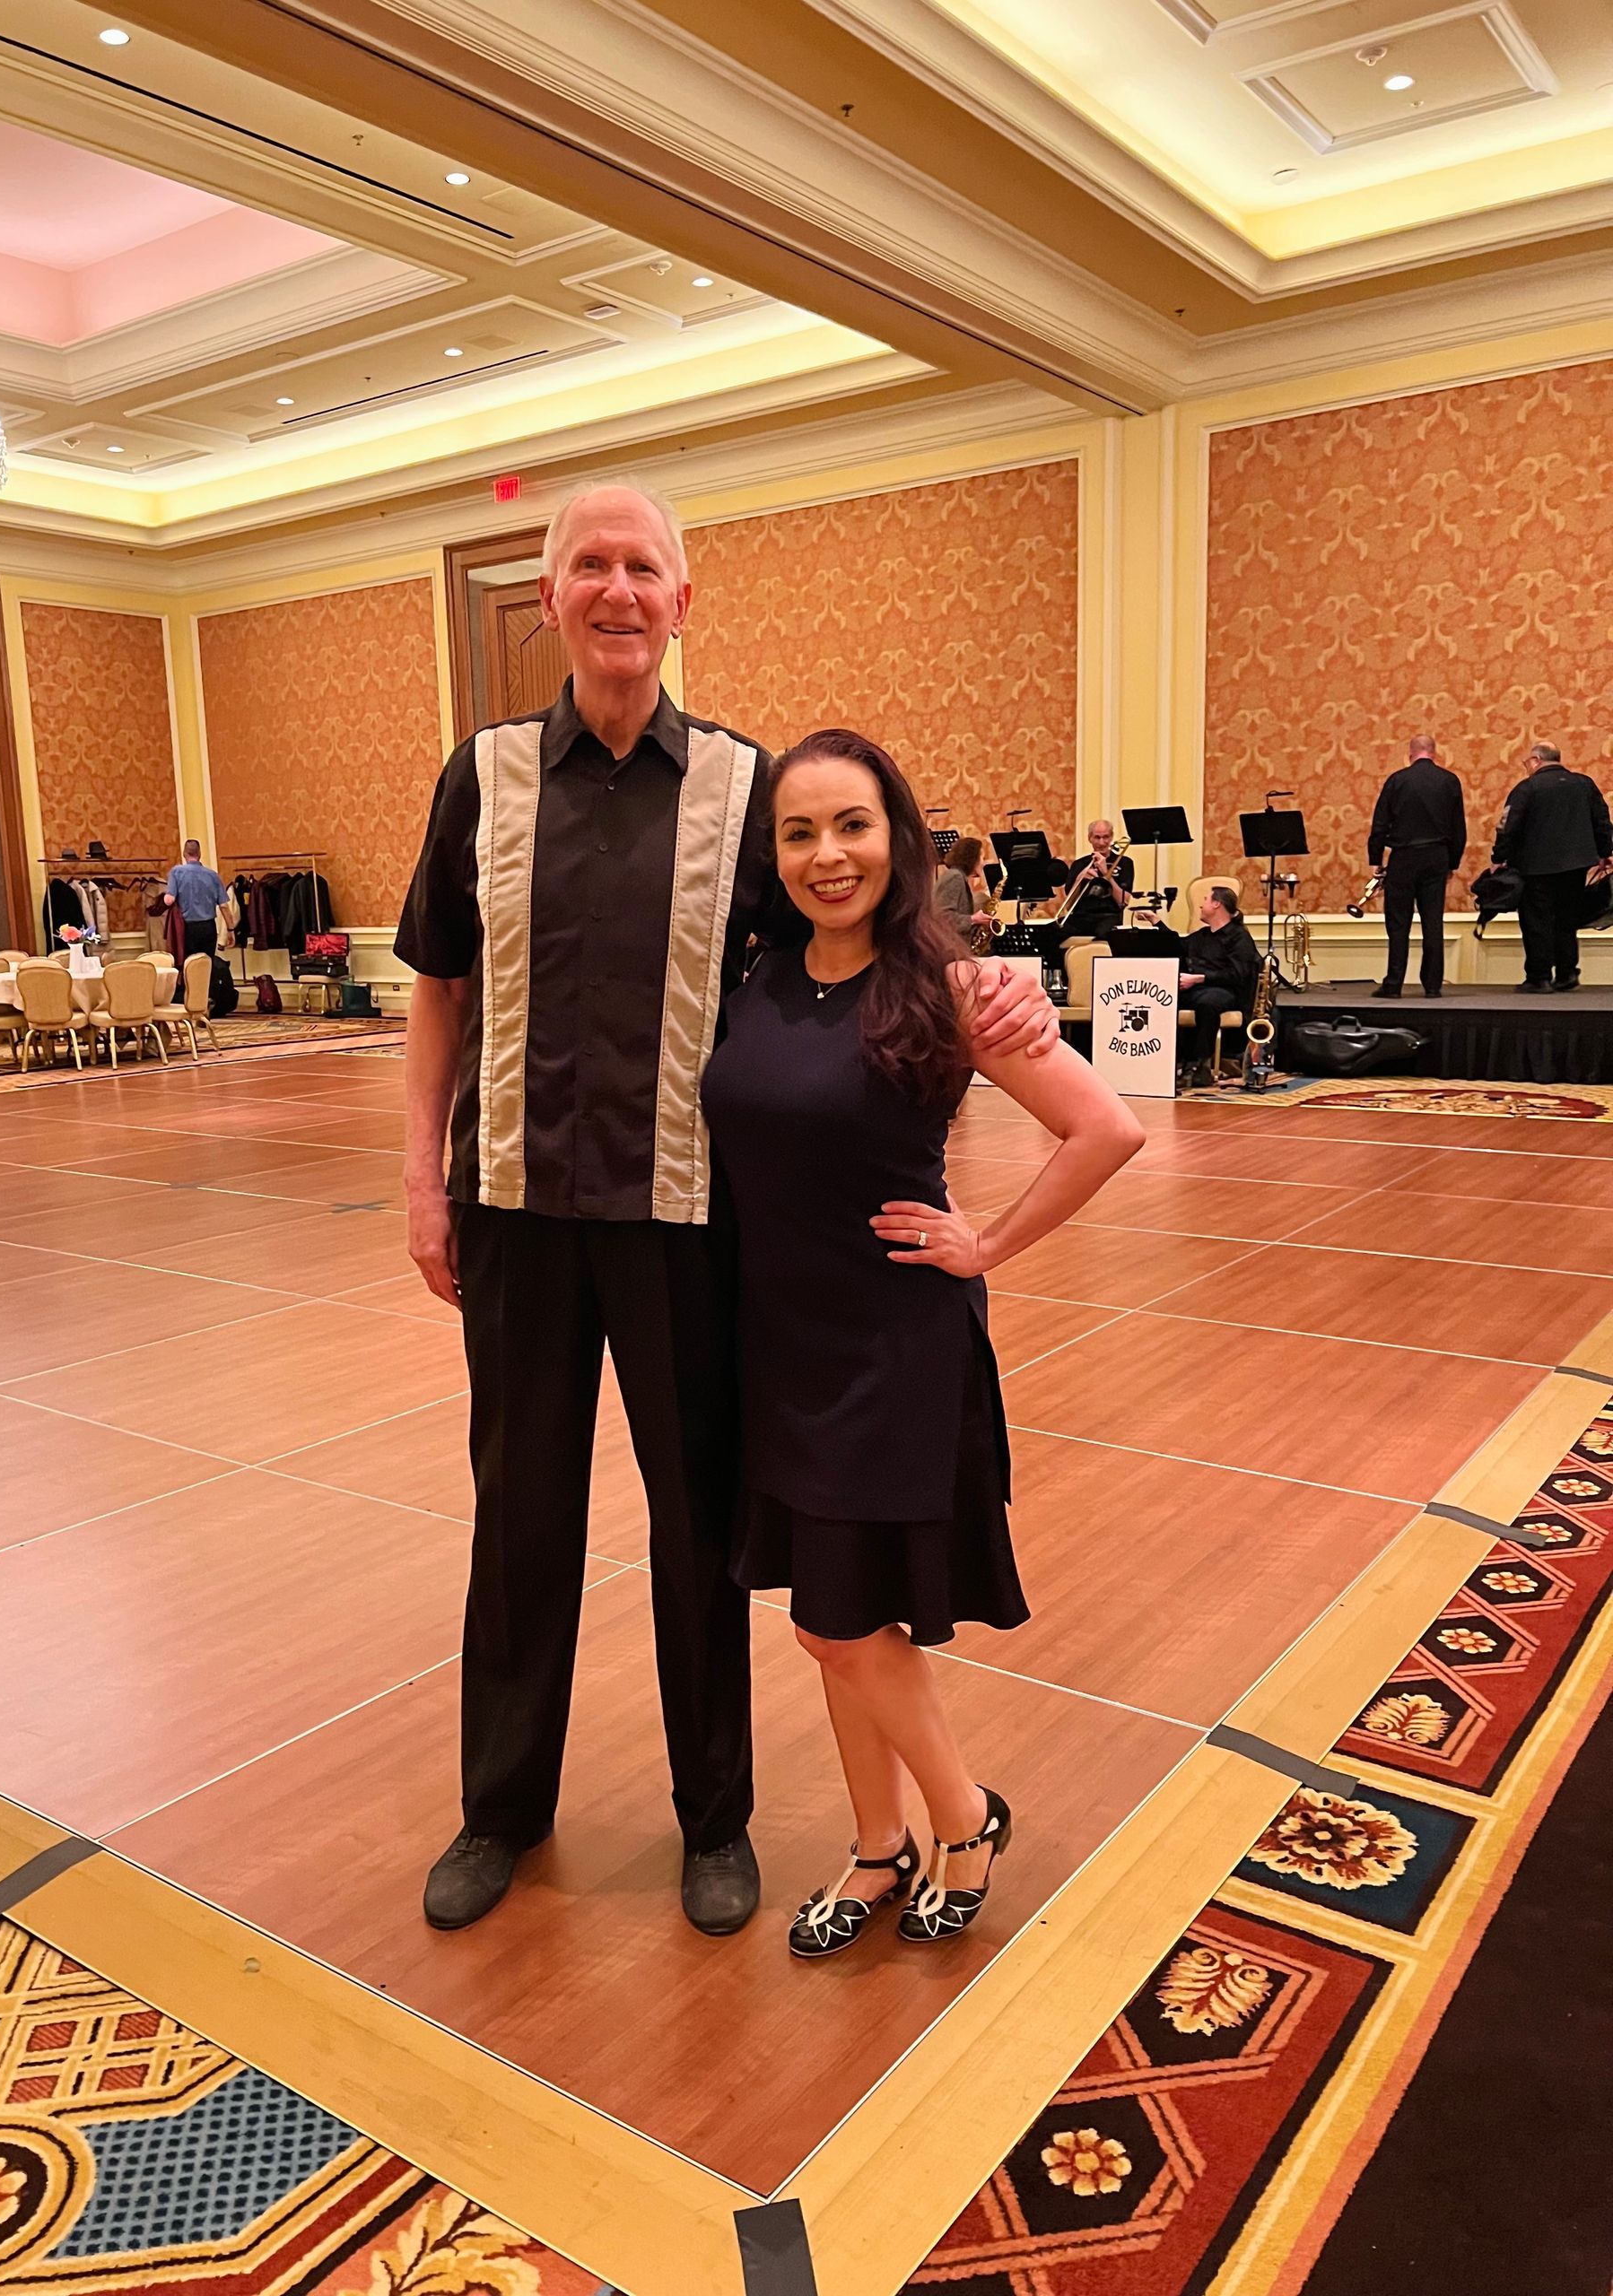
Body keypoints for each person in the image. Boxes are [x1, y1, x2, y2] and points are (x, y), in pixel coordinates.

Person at [396, 482, 1059, 1939]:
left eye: (645, 567)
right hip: (510, 1208)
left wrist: (990, 978)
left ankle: (716, 1822)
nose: (619, 590)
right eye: (591, 567)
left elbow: (850, 918)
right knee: (521, 1522)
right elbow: (439, 985)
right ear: (552, 597)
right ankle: (500, 1809)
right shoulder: (482, 776)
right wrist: (419, 1175)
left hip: (693, 1222)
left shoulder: (748, 789)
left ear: (682, 602)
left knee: (702, 1525)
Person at [702, 729, 1142, 1957]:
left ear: (895, 837)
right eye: (799, 832)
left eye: (851, 825)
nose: (826, 854)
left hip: (892, 1343)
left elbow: (1105, 1131)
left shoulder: (949, 988)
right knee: (836, 1615)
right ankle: (876, 1848)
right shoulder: (755, 977)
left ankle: (964, 1818)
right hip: (777, 1342)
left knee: (836, 1625)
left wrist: (988, 1243)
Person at [1493, 743, 1613, 993]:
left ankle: (1539, 976)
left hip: (1535, 866)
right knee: (1567, 919)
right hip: (1575, 866)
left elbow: (1508, 826)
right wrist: (1605, 853)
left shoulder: (1527, 788)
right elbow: (1602, 819)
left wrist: (1499, 857)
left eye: (1527, 762)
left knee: (1537, 921)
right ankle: (1567, 973)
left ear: (1536, 760)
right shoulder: (1583, 784)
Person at [1368, 737, 1466, 1000]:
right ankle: (1432, 985)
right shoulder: (1449, 781)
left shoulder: (1397, 780)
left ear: (1410, 753)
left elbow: (1380, 824)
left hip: (1404, 856)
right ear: (1434, 752)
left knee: (1398, 923)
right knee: (1433, 921)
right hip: (1437, 855)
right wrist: (1452, 863)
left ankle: (1394, 983)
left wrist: (1376, 860)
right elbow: (1459, 828)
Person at [1178, 884, 1259, 1085]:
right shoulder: (1202, 936)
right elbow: (1175, 944)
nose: (1201, 905)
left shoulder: (1239, 937)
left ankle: (1202, 1064)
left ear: (1216, 904)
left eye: (1205, 899)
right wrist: (1155, 921)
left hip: (1228, 992)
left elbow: (1237, 974)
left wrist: (1199, 978)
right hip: (1198, 990)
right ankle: (1177, 1061)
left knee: (1208, 1003)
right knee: (1164, 999)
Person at [1059, 820, 1132, 939]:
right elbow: (1069, 905)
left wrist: (1106, 873)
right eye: (1097, 837)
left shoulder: (1125, 863)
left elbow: (1123, 902)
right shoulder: (1079, 864)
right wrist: (1080, 878)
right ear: (1090, 838)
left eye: (1106, 837)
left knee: (1103, 934)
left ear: (1112, 837)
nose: (1102, 842)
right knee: (1050, 932)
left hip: (1109, 916)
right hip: (1080, 917)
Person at [162, 841, 229, 962]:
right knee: (207, 964)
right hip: (208, 927)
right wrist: (231, 929)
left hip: (187, 928)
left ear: (184, 854)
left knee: (189, 965)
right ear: (200, 854)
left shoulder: (176, 872)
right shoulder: (212, 875)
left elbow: (169, 900)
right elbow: (224, 906)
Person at [934, 834, 995, 946]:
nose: (983, 863)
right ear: (972, 858)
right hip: (950, 950)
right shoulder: (955, 877)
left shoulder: (956, 876)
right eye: (982, 858)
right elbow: (943, 918)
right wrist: (974, 919)